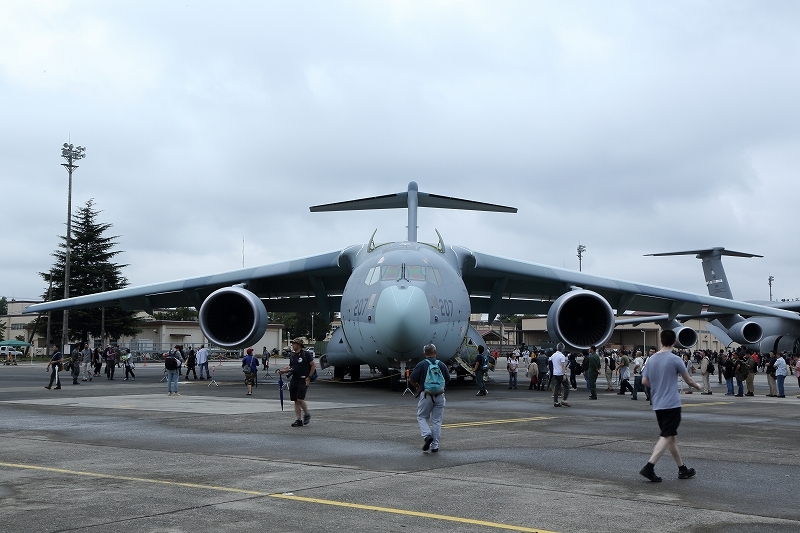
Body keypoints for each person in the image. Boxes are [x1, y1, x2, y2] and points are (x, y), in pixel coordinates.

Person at [639, 329, 702, 482]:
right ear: (674, 342)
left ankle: (682, 469)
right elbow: (688, 380)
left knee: (671, 436)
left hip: (658, 404)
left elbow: (644, 381)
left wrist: (657, 386)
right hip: (671, 404)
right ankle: (649, 466)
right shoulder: (675, 359)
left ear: (660, 341)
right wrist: (698, 386)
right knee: (667, 435)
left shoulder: (652, 359)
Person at [408, 343, 451, 452]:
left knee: (421, 417)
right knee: (437, 421)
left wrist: (418, 386)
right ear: (435, 352)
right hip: (440, 395)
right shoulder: (441, 364)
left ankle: (427, 436)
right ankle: (435, 446)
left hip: (426, 395)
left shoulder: (421, 364)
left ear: (424, 353)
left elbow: (411, 379)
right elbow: (448, 379)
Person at [278, 339, 316, 427]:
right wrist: (283, 371)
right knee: (295, 400)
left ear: (299, 344)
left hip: (303, 379)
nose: (292, 345)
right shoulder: (292, 356)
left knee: (300, 399)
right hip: (294, 379)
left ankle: (306, 414)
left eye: (293, 344)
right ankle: (298, 419)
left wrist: (309, 377)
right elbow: (291, 368)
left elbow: (313, 365)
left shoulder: (306, 354)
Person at [550, 343, 571, 407]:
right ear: (563, 349)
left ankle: (555, 402)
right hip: (561, 373)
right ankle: (564, 400)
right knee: (567, 386)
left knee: (556, 387)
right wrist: (564, 374)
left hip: (555, 373)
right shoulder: (562, 356)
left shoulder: (553, 355)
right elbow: (563, 366)